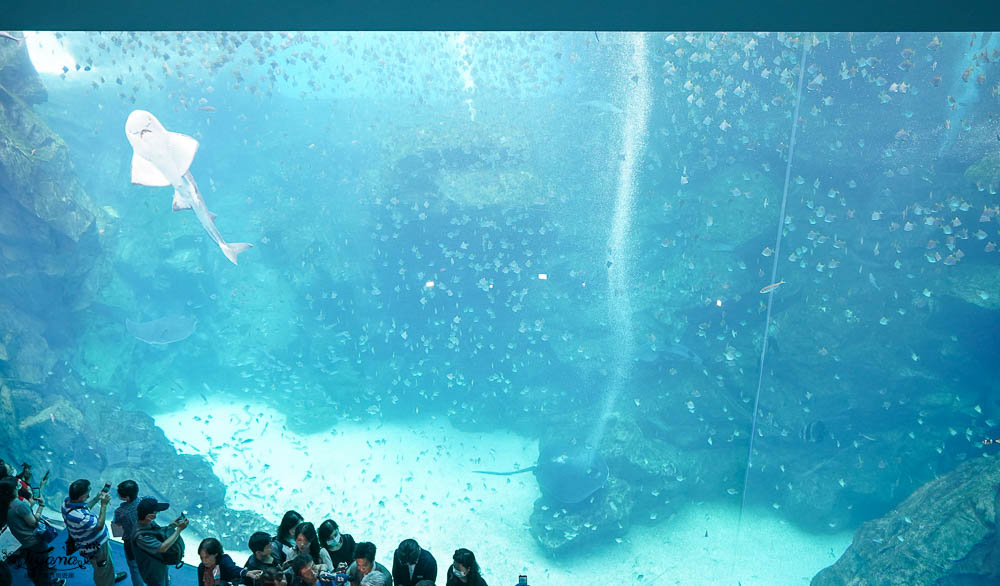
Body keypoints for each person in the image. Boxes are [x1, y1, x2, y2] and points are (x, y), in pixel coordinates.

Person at [61, 479, 127, 585]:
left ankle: (109, 577)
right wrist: (104, 505)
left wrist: (96, 498)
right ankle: (105, 582)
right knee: (101, 568)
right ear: (80, 497)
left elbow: (85, 507)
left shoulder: (67, 502)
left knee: (106, 565)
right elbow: (99, 526)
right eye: (87, 493)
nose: (88, 496)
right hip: (95, 547)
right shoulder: (80, 517)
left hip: (93, 543)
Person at [1, 477, 64, 586]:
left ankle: (37, 579)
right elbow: (33, 522)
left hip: (25, 543)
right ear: (13, 489)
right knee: (42, 569)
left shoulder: (5, 504)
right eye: (18, 485)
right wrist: (41, 506)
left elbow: (25, 510)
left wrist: (41, 487)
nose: (20, 485)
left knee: (32, 566)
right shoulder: (19, 505)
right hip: (35, 542)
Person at [132, 497, 187, 586]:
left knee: (163, 580)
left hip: (160, 562)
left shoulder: (148, 522)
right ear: (149, 516)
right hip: (152, 569)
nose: (158, 513)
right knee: (157, 583)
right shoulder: (141, 536)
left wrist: (171, 526)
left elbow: (158, 534)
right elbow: (162, 548)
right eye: (156, 512)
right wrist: (179, 530)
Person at [112, 480, 144, 586]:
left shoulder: (119, 512)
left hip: (131, 543)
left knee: (134, 568)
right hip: (148, 538)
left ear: (126, 497)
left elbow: (116, 532)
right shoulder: (145, 502)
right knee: (150, 562)